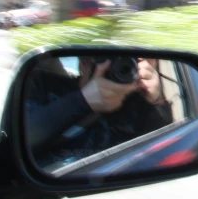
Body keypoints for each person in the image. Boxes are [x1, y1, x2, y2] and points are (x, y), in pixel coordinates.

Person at [25, 56, 173, 171]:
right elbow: (23, 136)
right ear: (84, 63)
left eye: (128, 64)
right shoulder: (43, 85)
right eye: (109, 61)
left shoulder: (141, 103)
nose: (119, 70)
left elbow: (162, 152)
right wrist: (83, 100)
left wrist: (157, 101)